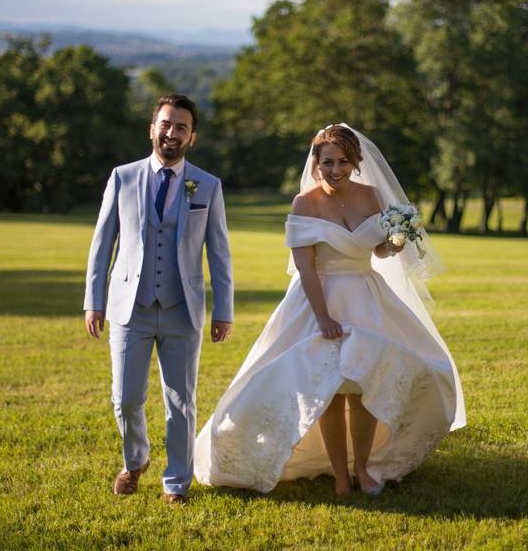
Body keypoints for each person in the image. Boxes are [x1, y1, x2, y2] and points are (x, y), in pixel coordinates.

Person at [194, 123, 465, 496]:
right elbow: (306, 268)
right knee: (329, 392)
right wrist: (323, 317)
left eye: (342, 162)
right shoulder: (304, 204)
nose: (335, 170)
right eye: (327, 163)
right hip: (319, 299)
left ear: (354, 162)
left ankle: (364, 469)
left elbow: (378, 250)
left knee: (367, 386)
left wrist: (395, 244)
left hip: (367, 297)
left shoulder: (372, 196)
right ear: (316, 164)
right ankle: (340, 475)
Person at [83, 94, 233, 505]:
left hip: (182, 310)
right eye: (166, 124)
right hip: (129, 308)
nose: (172, 132)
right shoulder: (122, 177)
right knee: (125, 397)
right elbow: (102, 244)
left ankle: (175, 484)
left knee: (181, 400)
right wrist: (93, 301)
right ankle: (136, 459)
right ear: (152, 129)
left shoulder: (207, 185)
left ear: (192, 136)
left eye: (181, 127)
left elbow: (219, 253)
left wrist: (224, 310)